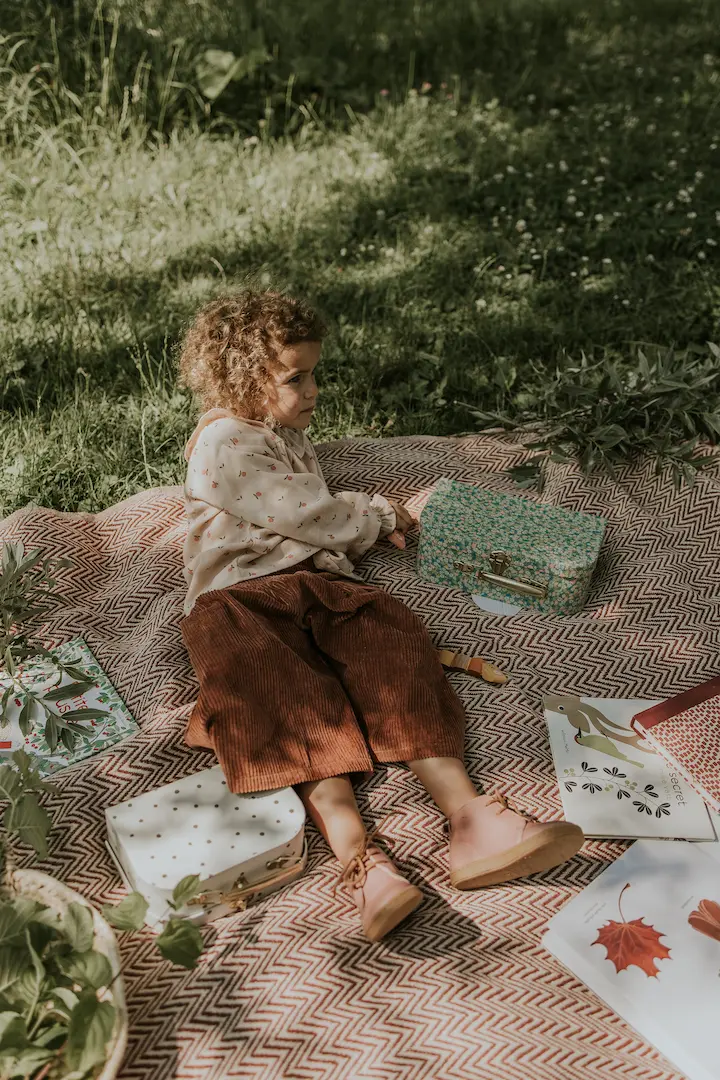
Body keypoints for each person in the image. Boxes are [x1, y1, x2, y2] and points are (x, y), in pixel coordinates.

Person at [176, 287, 584, 942]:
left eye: (314, 372)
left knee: (394, 655)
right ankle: (363, 863)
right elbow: (309, 512)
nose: (313, 390)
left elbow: (316, 519)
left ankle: (470, 816)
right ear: (243, 379)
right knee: (289, 711)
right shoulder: (222, 443)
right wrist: (381, 514)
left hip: (319, 585)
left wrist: (358, 533)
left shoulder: (284, 434)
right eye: (296, 377)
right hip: (240, 600)